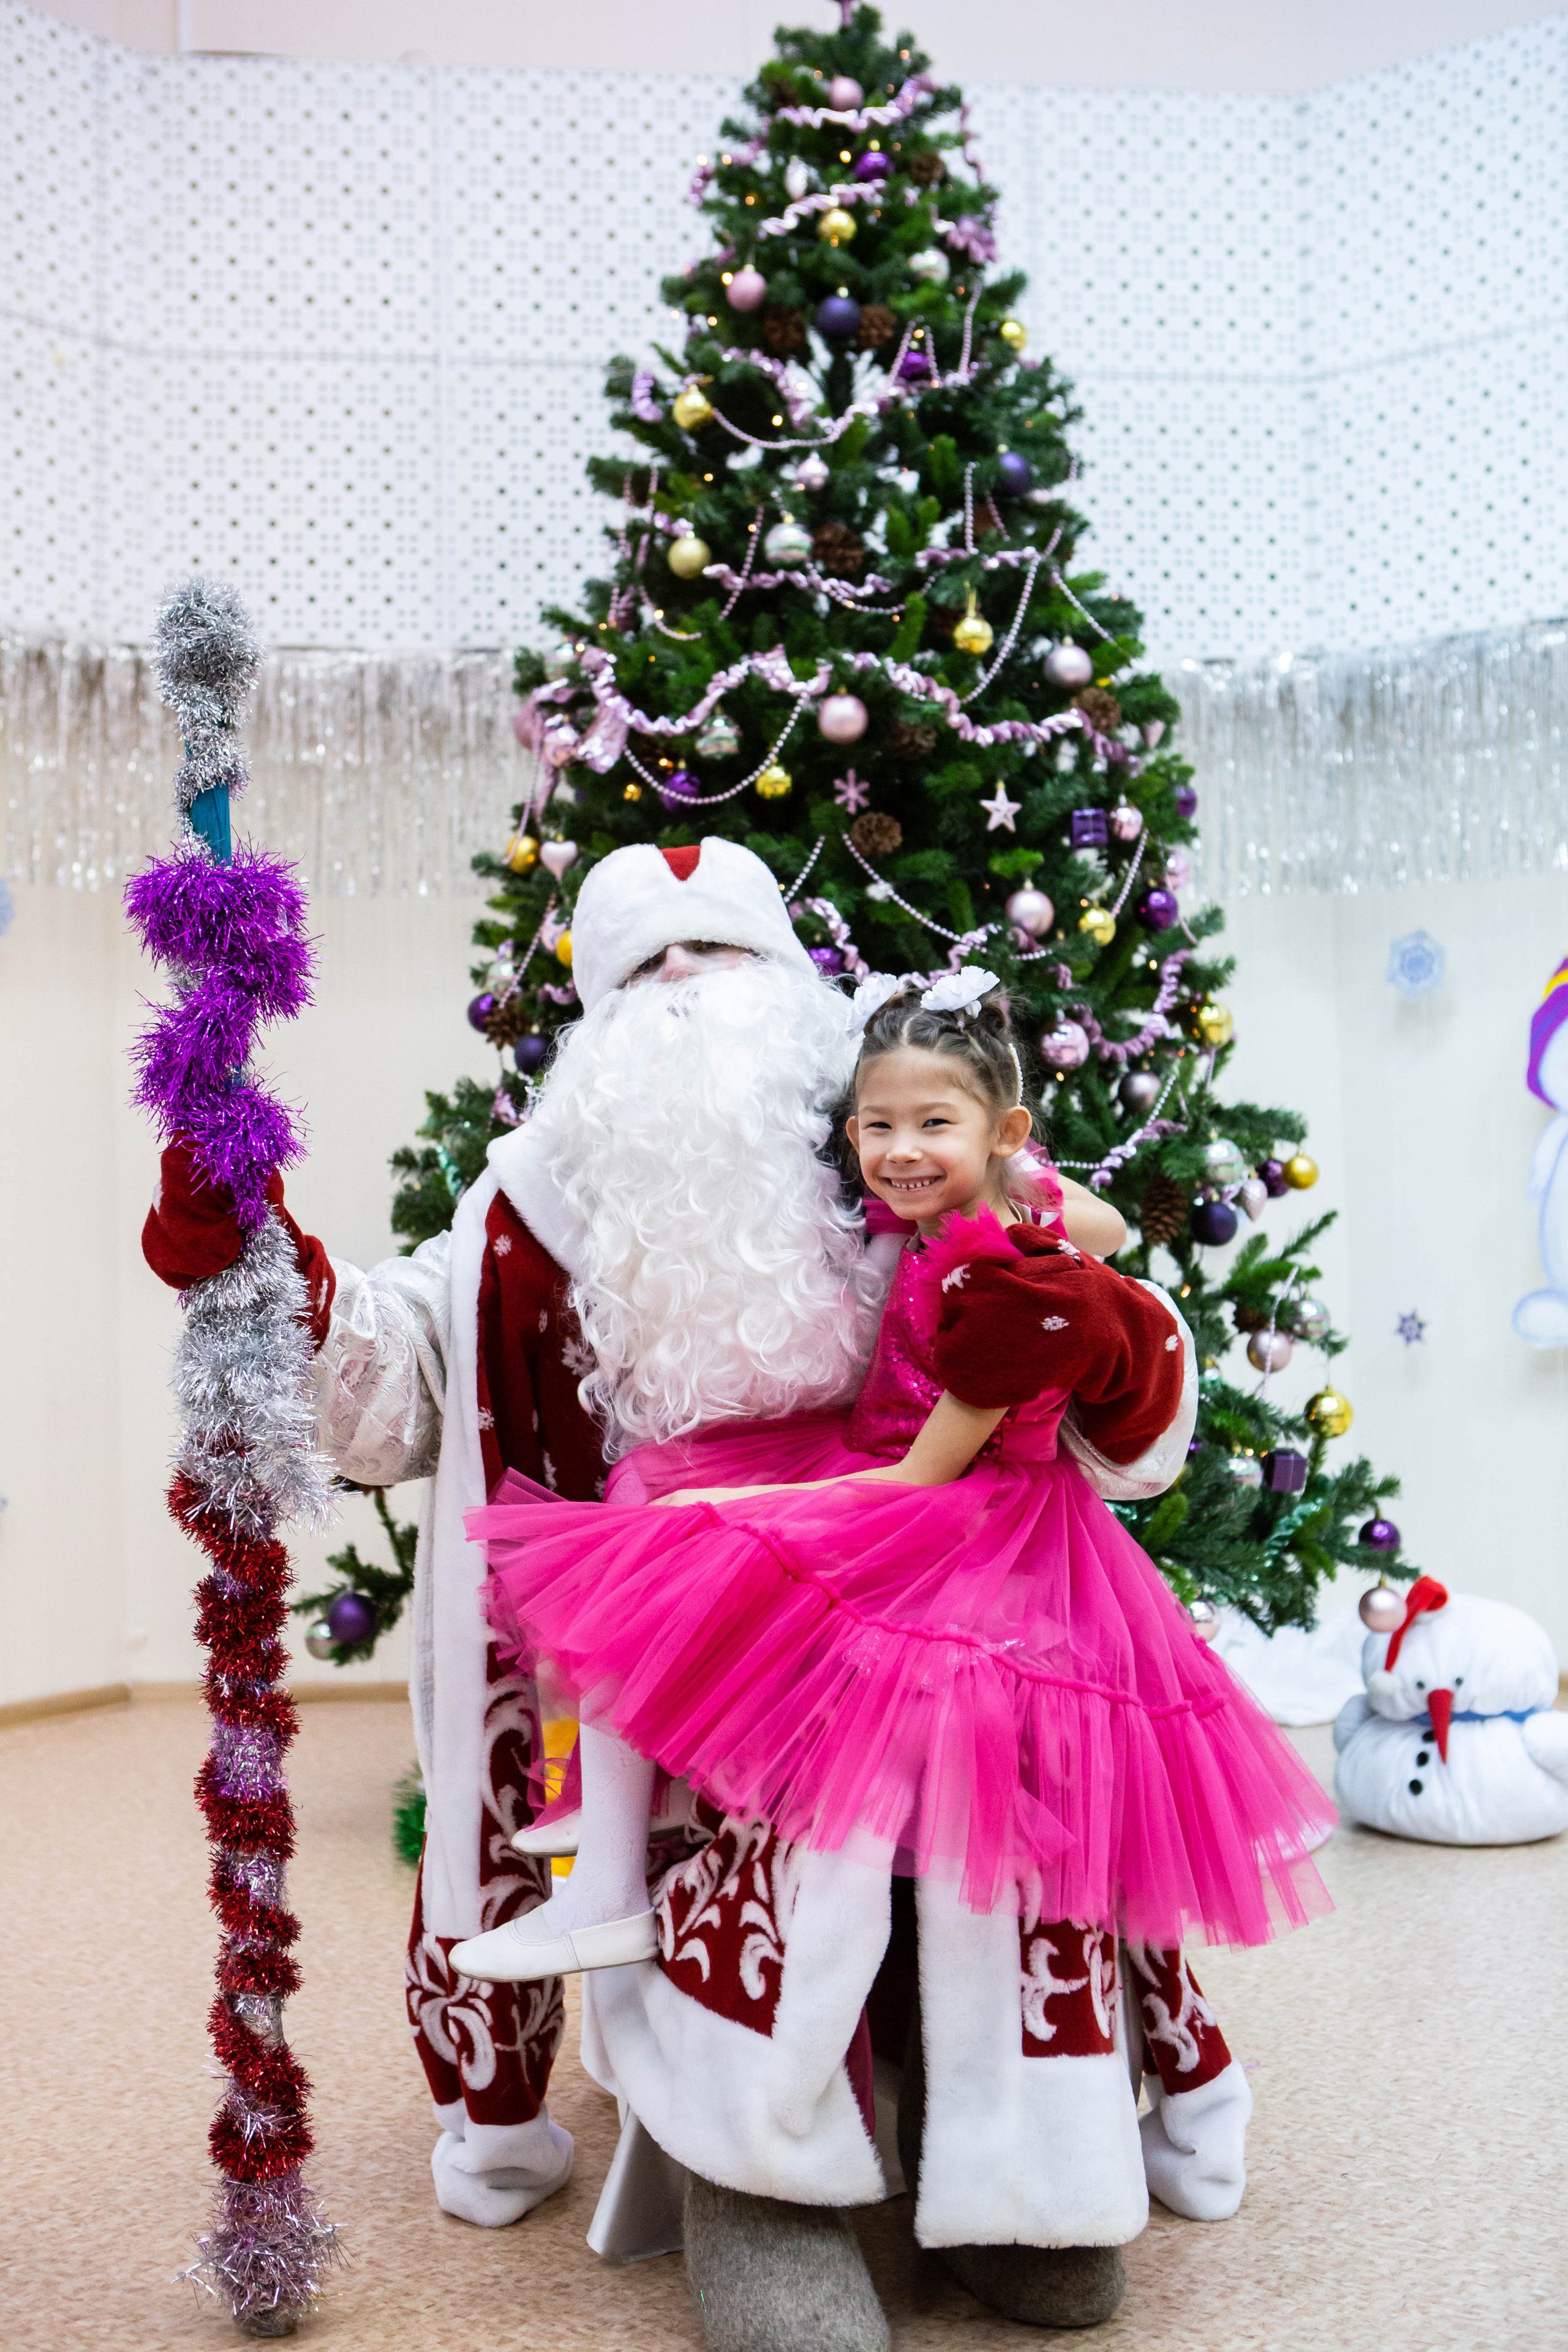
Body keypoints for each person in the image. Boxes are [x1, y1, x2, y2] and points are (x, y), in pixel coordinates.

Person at [137, 839, 1256, 2339]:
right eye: (645, 968)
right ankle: (763, 2190)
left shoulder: (894, 1135)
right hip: (700, 1616)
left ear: (790, 982)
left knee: (1018, 1784)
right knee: (791, 1841)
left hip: (955, 1574)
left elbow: (1106, 1364)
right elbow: (388, 1400)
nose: (685, 991)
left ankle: (1016, 2180)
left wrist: (1105, 1341)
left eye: (719, 956)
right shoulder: (532, 1207)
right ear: (592, 1017)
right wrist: (261, 1268)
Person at [454, 969, 1332, 1991]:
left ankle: (607, 1891)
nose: (900, 1152)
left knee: (676, 1529)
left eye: (933, 1125)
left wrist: (730, 1501)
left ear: (1003, 1130)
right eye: (879, 1127)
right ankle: (622, 1812)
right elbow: (1112, 1230)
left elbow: (923, 1477)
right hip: (888, 1448)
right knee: (648, 1479)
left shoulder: (1008, 1292)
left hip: (961, 1508)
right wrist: (1007, 1175)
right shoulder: (968, 1202)